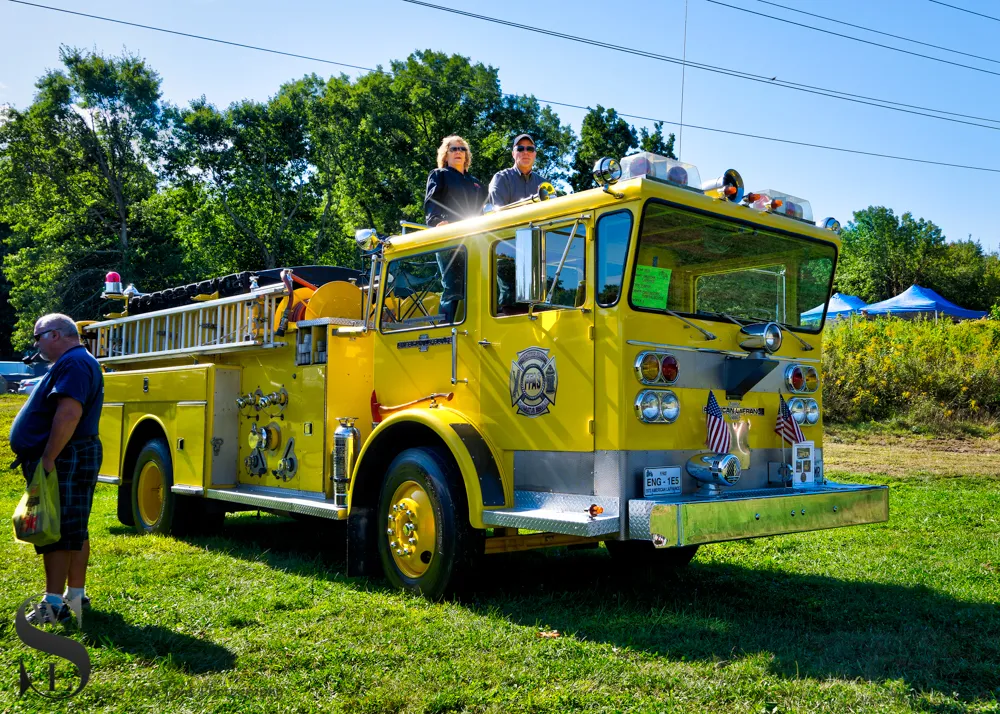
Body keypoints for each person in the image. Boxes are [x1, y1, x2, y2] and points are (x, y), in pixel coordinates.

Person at [10, 313, 104, 624]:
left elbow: (68, 413)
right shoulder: (75, 361)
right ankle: (75, 596)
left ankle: (53, 604)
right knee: (73, 527)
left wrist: (49, 457)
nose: (36, 344)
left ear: (54, 335)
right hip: (72, 452)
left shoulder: (74, 363)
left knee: (57, 529)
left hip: (66, 454)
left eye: (37, 337)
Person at [423, 135, 487, 227]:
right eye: (453, 149)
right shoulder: (439, 174)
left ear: (466, 156)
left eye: (462, 149)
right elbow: (433, 202)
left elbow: (485, 208)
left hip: (476, 232)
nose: (458, 152)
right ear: (445, 156)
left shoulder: (476, 182)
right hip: (450, 230)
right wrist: (436, 223)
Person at [487, 134, 545, 208]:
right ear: (513, 154)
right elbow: (498, 214)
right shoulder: (501, 179)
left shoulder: (544, 184)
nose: (525, 152)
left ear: (535, 154)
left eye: (530, 149)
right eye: (520, 148)